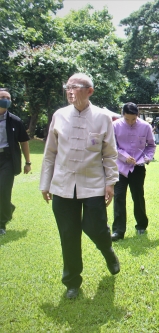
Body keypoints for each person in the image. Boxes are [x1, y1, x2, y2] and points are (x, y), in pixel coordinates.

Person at [40, 73, 120, 299]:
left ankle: (107, 250)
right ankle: (72, 282)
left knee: (95, 227)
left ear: (90, 91)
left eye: (75, 87)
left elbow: (109, 154)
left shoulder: (102, 117)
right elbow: (50, 153)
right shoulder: (59, 115)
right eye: (68, 87)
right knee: (68, 233)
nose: (70, 92)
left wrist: (110, 183)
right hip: (63, 184)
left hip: (93, 183)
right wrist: (46, 183)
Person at [111, 103, 156, 241]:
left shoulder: (145, 126)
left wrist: (147, 157)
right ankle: (118, 231)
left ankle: (141, 225)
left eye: (133, 119)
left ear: (138, 115)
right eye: (127, 119)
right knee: (118, 197)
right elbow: (113, 146)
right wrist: (124, 156)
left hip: (138, 167)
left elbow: (151, 145)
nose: (131, 122)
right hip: (120, 167)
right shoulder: (115, 126)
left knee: (138, 196)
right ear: (122, 114)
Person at [0, 88, 31, 235]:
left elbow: (24, 141)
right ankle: (8, 207)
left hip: (7, 159)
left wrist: (28, 162)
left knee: (3, 190)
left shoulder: (15, 121)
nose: (5, 99)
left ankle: (1, 224)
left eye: (8, 97)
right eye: (2, 97)